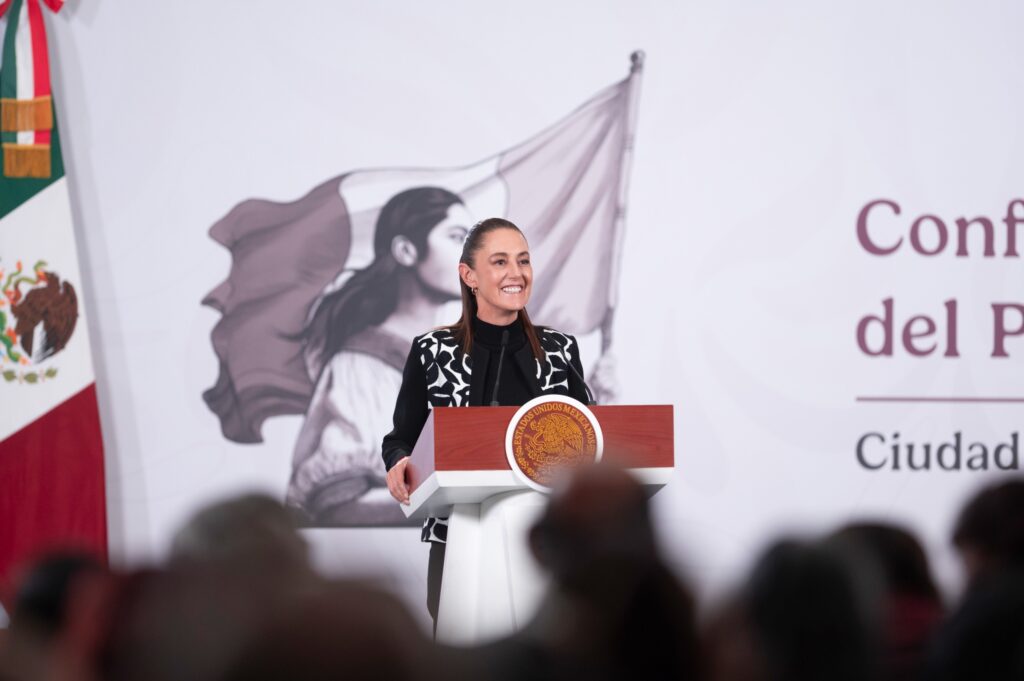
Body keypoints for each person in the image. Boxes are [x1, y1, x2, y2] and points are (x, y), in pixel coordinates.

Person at [381, 217, 592, 626]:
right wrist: (399, 462)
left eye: (523, 260)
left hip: (546, 539)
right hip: (457, 533)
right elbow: (401, 438)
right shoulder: (432, 351)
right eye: (500, 262)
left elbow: (588, 438)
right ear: (469, 275)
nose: (517, 273)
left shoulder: (560, 350)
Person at [287, 187, 473, 525]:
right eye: (457, 237)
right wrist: (461, 503)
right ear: (406, 251)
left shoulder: (459, 358)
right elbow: (339, 505)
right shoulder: (362, 365)